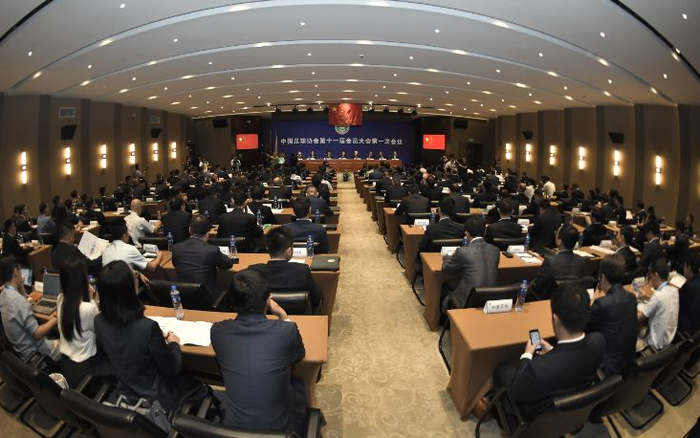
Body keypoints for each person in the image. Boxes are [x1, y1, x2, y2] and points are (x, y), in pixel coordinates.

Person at [211, 269, 307, 435]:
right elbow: (299, 354)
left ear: (231, 299)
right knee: (298, 384)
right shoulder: (286, 330)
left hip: (232, 431)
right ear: (268, 299)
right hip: (281, 432)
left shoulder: (218, 330)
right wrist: (284, 317)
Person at [95, 260, 197, 414]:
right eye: (134, 275)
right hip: (156, 400)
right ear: (129, 288)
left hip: (126, 391)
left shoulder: (98, 321)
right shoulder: (147, 328)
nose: (137, 276)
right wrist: (174, 343)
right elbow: (172, 368)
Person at [494, 286, 605, 419]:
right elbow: (570, 359)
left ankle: (502, 416)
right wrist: (552, 350)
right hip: (573, 410)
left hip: (539, 416)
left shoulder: (538, 367)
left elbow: (516, 392)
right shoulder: (598, 341)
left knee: (502, 370)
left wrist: (527, 355)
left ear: (555, 319)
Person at [0, 256, 60, 362]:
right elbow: (37, 334)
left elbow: (23, 302)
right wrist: (55, 318)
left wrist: (20, 285)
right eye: (20, 270)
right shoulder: (18, 301)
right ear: (15, 272)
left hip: (22, 353)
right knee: (67, 342)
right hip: (38, 354)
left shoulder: (3, 296)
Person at [586, 254, 638, 376]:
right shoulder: (632, 298)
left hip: (608, 369)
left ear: (602, 277)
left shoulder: (601, 303)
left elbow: (583, 328)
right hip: (628, 364)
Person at [249, 227, 322, 313]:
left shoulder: (254, 271)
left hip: (264, 318)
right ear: (289, 251)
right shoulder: (302, 270)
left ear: (267, 248)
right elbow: (316, 298)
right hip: (298, 317)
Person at [57, 258, 102, 386]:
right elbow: (100, 330)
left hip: (65, 364)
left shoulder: (60, 299)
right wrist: (93, 299)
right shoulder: (87, 308)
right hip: (85, 370)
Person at [172, 215, 234, 304]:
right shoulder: (212, 250)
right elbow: (228, 264)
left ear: (189, 229)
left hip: (184, 297)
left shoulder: (176, 248)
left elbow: (175, 265)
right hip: (207, 299)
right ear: (208, 232)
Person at [441, 216, 499, 309]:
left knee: (445, 287)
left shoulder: (463, 252)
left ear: (466, 233)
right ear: (484, 232)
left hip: (468, 301)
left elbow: (446, 269)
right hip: (490, 299)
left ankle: (446, 317)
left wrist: (446, 256)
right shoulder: (495, 250)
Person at [529, 225, 585, 300]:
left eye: (556, 233)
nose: (555, 234)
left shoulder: (550, 261)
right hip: (570, 299)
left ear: (559, 241)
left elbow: (536, 286)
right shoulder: (581, 260)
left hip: (549, 300)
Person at [637, 259, 679, 352]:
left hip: (655, 344)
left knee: (634, 328)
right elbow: (663, 301)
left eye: (651, 276)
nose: (650, 281)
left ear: (656, 275)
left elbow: (638, 318)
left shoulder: (658, 296)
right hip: (669, 340)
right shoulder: (674, 291)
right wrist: (647, 298)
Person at [678, 254, 700, 336]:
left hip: (685, 329)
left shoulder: (688, 287)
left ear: (689, 268)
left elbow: (675, 302)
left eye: (684, 266)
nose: (683, 269)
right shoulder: (696, 281)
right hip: (696, 328)